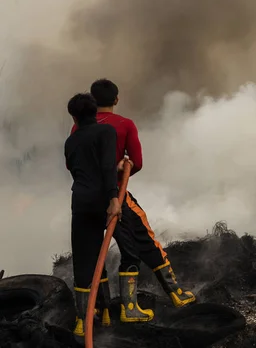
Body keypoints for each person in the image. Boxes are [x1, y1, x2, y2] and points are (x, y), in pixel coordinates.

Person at [70, 79, 196, 316]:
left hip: (85, 201)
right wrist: (119, 173)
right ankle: (170, 294)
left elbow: (75, 164)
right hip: (115, 196)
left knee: (92, 256)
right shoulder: (124, 125)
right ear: (116, 99)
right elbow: (136, 163)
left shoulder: (77, 129)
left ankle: (102, 313)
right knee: (143, 241)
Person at [64, 93, 154, 338]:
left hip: (80, 203)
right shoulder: (106, 133)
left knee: (85, 262)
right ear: (96, 113)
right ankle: (128, 308)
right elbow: (105, 167)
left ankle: (85, 321)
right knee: (131, 250)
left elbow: (76, 169)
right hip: (105, 201)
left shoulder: (71, 141)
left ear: (73, 116)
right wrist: (114, 199)